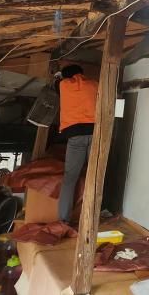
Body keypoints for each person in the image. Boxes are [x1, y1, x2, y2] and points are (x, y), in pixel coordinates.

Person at [56, 64, 98, 223]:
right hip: (95, 134)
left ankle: (63, 220)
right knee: (95, 176)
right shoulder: (94, 84)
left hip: (75, 136)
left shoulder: (63, 85)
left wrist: (59, 76)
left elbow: (55, 82)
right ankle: (94, 217)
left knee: (70, 178)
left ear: (66, 76)